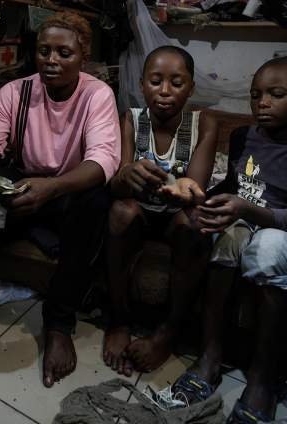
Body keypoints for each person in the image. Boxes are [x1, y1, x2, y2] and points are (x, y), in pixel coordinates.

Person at [0, 12, 121, 388]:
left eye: (64, 53)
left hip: (65, 194)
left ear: (83, 57)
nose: (51, 60)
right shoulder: (17, 91)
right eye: (44, 50)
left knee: (96, 202)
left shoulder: (97, 95)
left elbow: (103, 161)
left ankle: (60, 323)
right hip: (24, 195)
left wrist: (52, 188)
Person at [167, 57, 287, 424]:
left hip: (283, 230)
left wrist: (243, 209)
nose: (262, 103)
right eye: (256, 95)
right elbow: (234, 187)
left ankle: (262, 377)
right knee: (223, 239)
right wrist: (202, 200)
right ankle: (210, 356)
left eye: (276, 95)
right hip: (244, 221)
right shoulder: (245, 136)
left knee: (269, 249)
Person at [102, 46, 219, 376]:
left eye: (177, 83)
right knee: (119, 212)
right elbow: (119, 185)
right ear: (142, 85)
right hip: (139, 212)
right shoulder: (130, 119)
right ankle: (119, 319)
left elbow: (195, 188)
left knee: (196, 225)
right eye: (155, 81)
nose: (165, 91)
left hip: (174, 216)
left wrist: (182, 188)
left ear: (191, 88)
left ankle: (168, 331)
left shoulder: (204, 122)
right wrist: (126, 175)